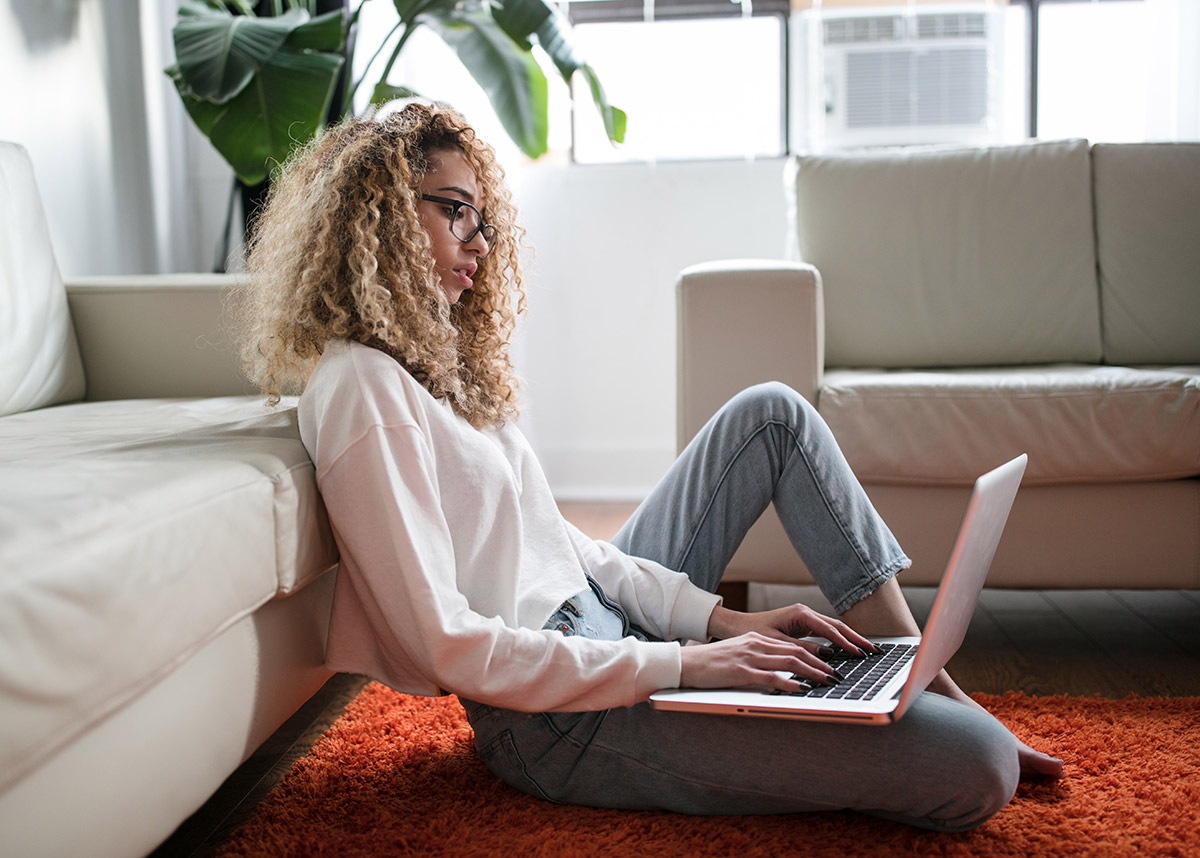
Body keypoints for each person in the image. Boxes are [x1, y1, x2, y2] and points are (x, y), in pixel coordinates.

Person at [232, 103, 1061, 831]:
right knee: (979, 766)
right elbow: (447, 645)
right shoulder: (360, 387)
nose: (478, 242)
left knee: (770, 412)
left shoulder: (436, 367)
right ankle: (919, 710)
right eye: (455, 211)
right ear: (376, 215)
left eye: (482, 217)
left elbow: (562, 546)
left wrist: (718, 624)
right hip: (555, 719)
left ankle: (916, 673)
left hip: (604, 629)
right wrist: (685, 664)